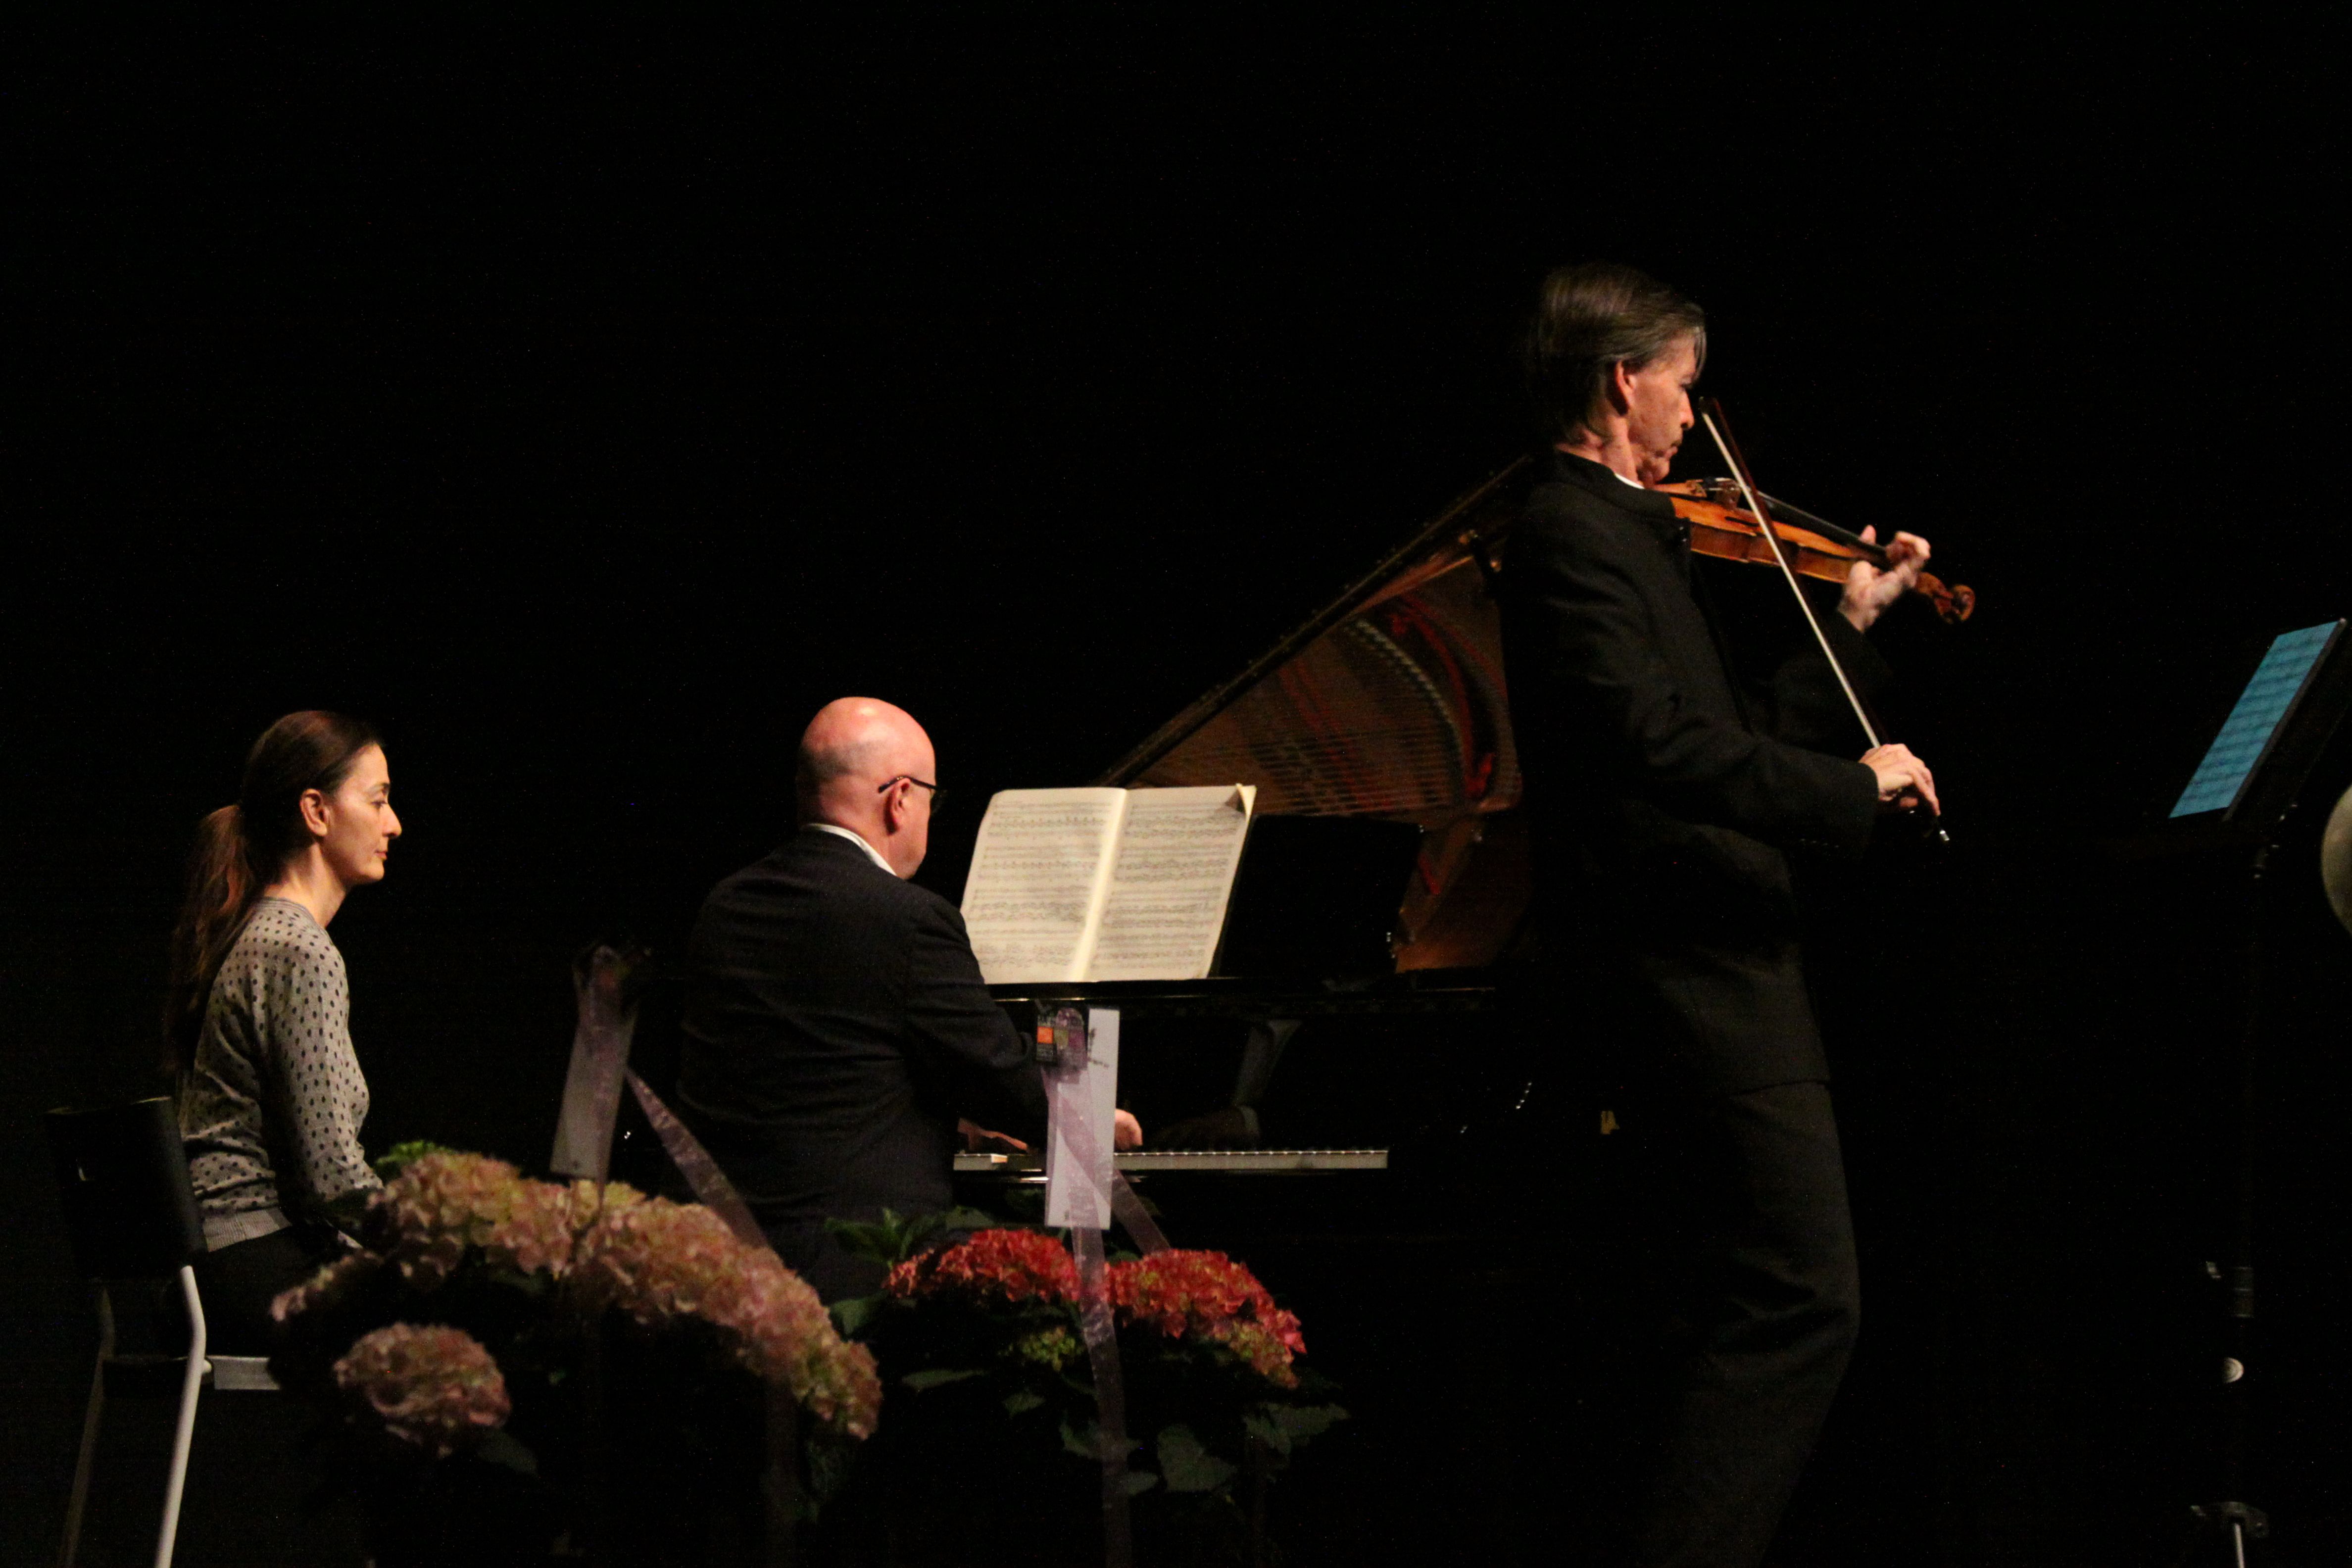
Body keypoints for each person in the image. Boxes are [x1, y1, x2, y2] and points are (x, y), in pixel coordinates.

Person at [1497, 262, 1941, 1567]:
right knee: (1806, 1296)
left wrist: (1849, 622)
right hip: (1693, 975)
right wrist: (1855, 789)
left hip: (1723, 965)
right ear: (1621, 380)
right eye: (1683, 385)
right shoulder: (1571, 533)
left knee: (1726, 1305)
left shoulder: (1629, 530)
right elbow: (1653, 746)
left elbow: (1732, 731)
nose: (1695, 415)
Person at [676, 696, 1139, 1302]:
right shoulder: (909, 918)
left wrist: (948, 1108)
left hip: (715, 1262)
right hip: (853, 1277)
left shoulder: (726, 905)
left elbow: (824, 1066)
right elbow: (1009, 1082)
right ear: (899, 799)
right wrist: (1092, 1107)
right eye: (930, 799)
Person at [168, 711, 403, 1353]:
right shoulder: (299, 951)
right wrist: (436, 1244)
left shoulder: (256, 933)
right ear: (317, 811)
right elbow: (334, 1176)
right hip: (255, 1265)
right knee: (480, 1329)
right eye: (378, 800)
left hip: (217, 1267)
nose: (393, 824)